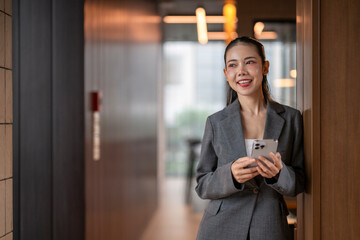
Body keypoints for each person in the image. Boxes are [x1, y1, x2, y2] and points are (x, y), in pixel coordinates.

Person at [195, 36, 305, 240]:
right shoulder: (215, 122)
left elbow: (299, 182)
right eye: (233, 65)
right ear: (226, 73)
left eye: (250, 62)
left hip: (270, 226)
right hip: (220, 228)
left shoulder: (291, 119)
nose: (241, 71)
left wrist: (278, 174)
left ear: (265, 67)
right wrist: (231, 175)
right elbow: (202, 184)